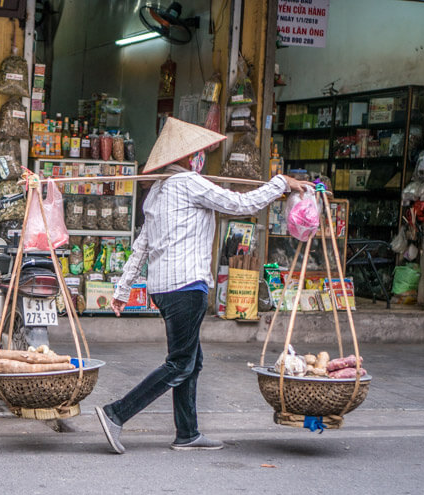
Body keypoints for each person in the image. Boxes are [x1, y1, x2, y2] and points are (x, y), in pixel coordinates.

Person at [95, 117, 314, 454]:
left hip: (164, 289)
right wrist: (279, 183)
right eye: (198, 153)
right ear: (189, 157)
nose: (201, 158)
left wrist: (122, 291)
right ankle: (116, 413)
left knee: (190, 362)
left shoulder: (155, 193)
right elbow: (242, 205)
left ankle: (188, 433)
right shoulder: (191, 183)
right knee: (180, 363)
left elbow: (142, 245)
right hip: (186, 287)